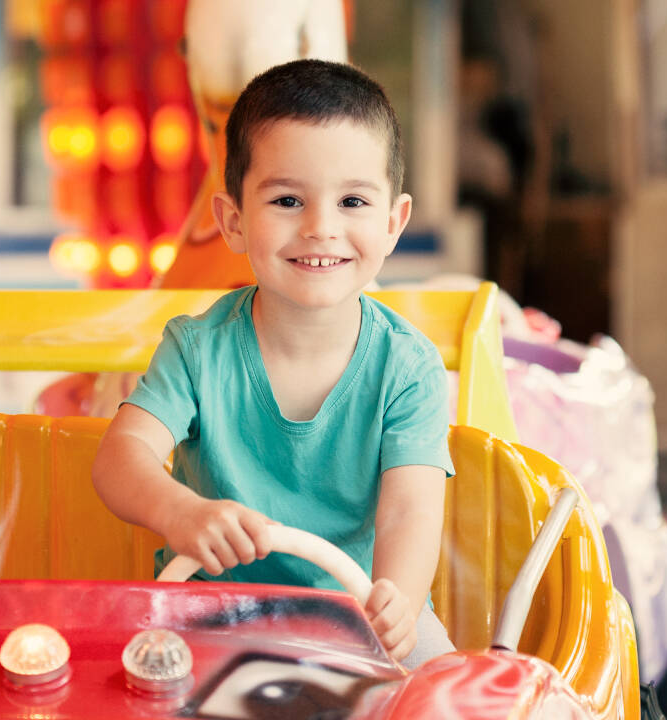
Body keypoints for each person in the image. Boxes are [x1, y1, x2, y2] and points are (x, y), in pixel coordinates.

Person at [91, 59, 456, 667]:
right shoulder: (196, 349)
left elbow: (409, 510)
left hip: (362, 610)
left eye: (352, 202)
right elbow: (119, 459)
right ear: (233, 221)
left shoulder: (408, 366)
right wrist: (181, 511)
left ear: (393, 224)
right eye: (288, 200)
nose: (321, 228)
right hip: (211, 618)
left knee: (446, 697)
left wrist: (397, 599)